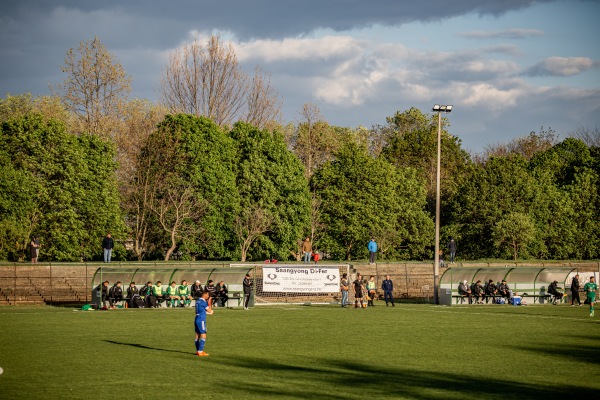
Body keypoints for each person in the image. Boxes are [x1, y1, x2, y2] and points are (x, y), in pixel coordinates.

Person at [194, 290, 213, 357]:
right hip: (201, 320)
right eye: (207, 295)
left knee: (197, 335)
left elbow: (199, 310)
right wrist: (210, 302)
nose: (208, 296)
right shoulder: (203, 302)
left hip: (197, 318)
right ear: (204, 294)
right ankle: (200, 351)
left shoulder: (198, 301)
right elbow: (210, 310)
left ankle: (198, 351)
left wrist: (206, 312)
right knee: (203, 335)